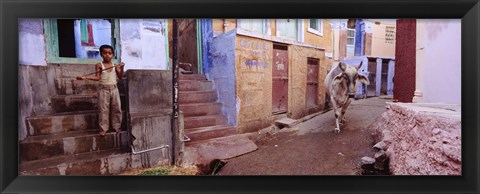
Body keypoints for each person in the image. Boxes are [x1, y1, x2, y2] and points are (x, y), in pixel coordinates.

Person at [77, 45, 125, 136]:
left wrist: (122, 68)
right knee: (103, 109)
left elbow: (121, 77)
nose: (107, 55)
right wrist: (85, 77)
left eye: (110, 53)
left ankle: (116, 126)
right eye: (105, 53)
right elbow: (97, 77)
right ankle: (104, 128)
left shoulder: (115, 65)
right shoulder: (99, 65)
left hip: (114, 89)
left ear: (113, 55)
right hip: (103, 90)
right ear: (101, 54)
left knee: (117, 108)